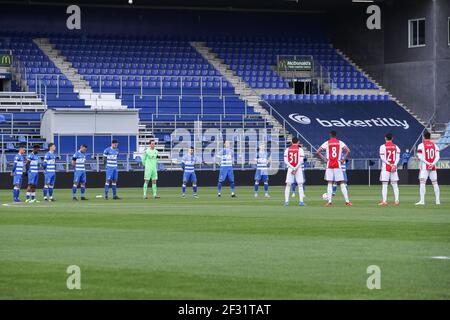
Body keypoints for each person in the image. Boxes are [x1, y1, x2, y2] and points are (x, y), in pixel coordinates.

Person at [316, 131, 352, 206]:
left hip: (329, 164)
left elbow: (318, 151)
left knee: (329, 183)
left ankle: (329, 202)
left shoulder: (327, 143)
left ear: (330, 135)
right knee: (342, 182)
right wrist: (343, 160)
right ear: (336, 135)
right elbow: (348, 151)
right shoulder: (340, 142)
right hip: (337, 164)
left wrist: (324, 159)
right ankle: (347, 201)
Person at [415, 131, 440, 205]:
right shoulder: (435, 145)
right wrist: (432, 163)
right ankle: (437, 201)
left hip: (424, 166)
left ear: (423, 137)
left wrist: (428, 163)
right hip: (433, 166)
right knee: (435, 183)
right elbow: (438, 156)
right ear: (430, 137)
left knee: (422, 183)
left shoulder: (421, 145)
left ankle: (422, 201)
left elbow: (420, 156)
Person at [378, 133, 401, 206]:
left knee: (385, 184)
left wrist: (389, 164)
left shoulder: (382, 147)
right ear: (392, 138)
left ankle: (384, 201)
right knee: (395, 184)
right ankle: (397, 200)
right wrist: (394, 165)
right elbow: (398, 158)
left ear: (385, 138)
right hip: (394, 167)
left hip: (386, 167)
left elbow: (382, 158)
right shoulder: (396, 147)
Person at [284, 137, 305, 206]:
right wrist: (295, 167)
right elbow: (301, 160)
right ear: (298, 142)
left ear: (292, 142)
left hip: (290, 168)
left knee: (288, 185)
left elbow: (285, 160)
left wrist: (292, 167)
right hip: (298, 168)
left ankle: (286, 202)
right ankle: (301, 202)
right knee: (300, 185)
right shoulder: (300, 149)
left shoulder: (287, 149)